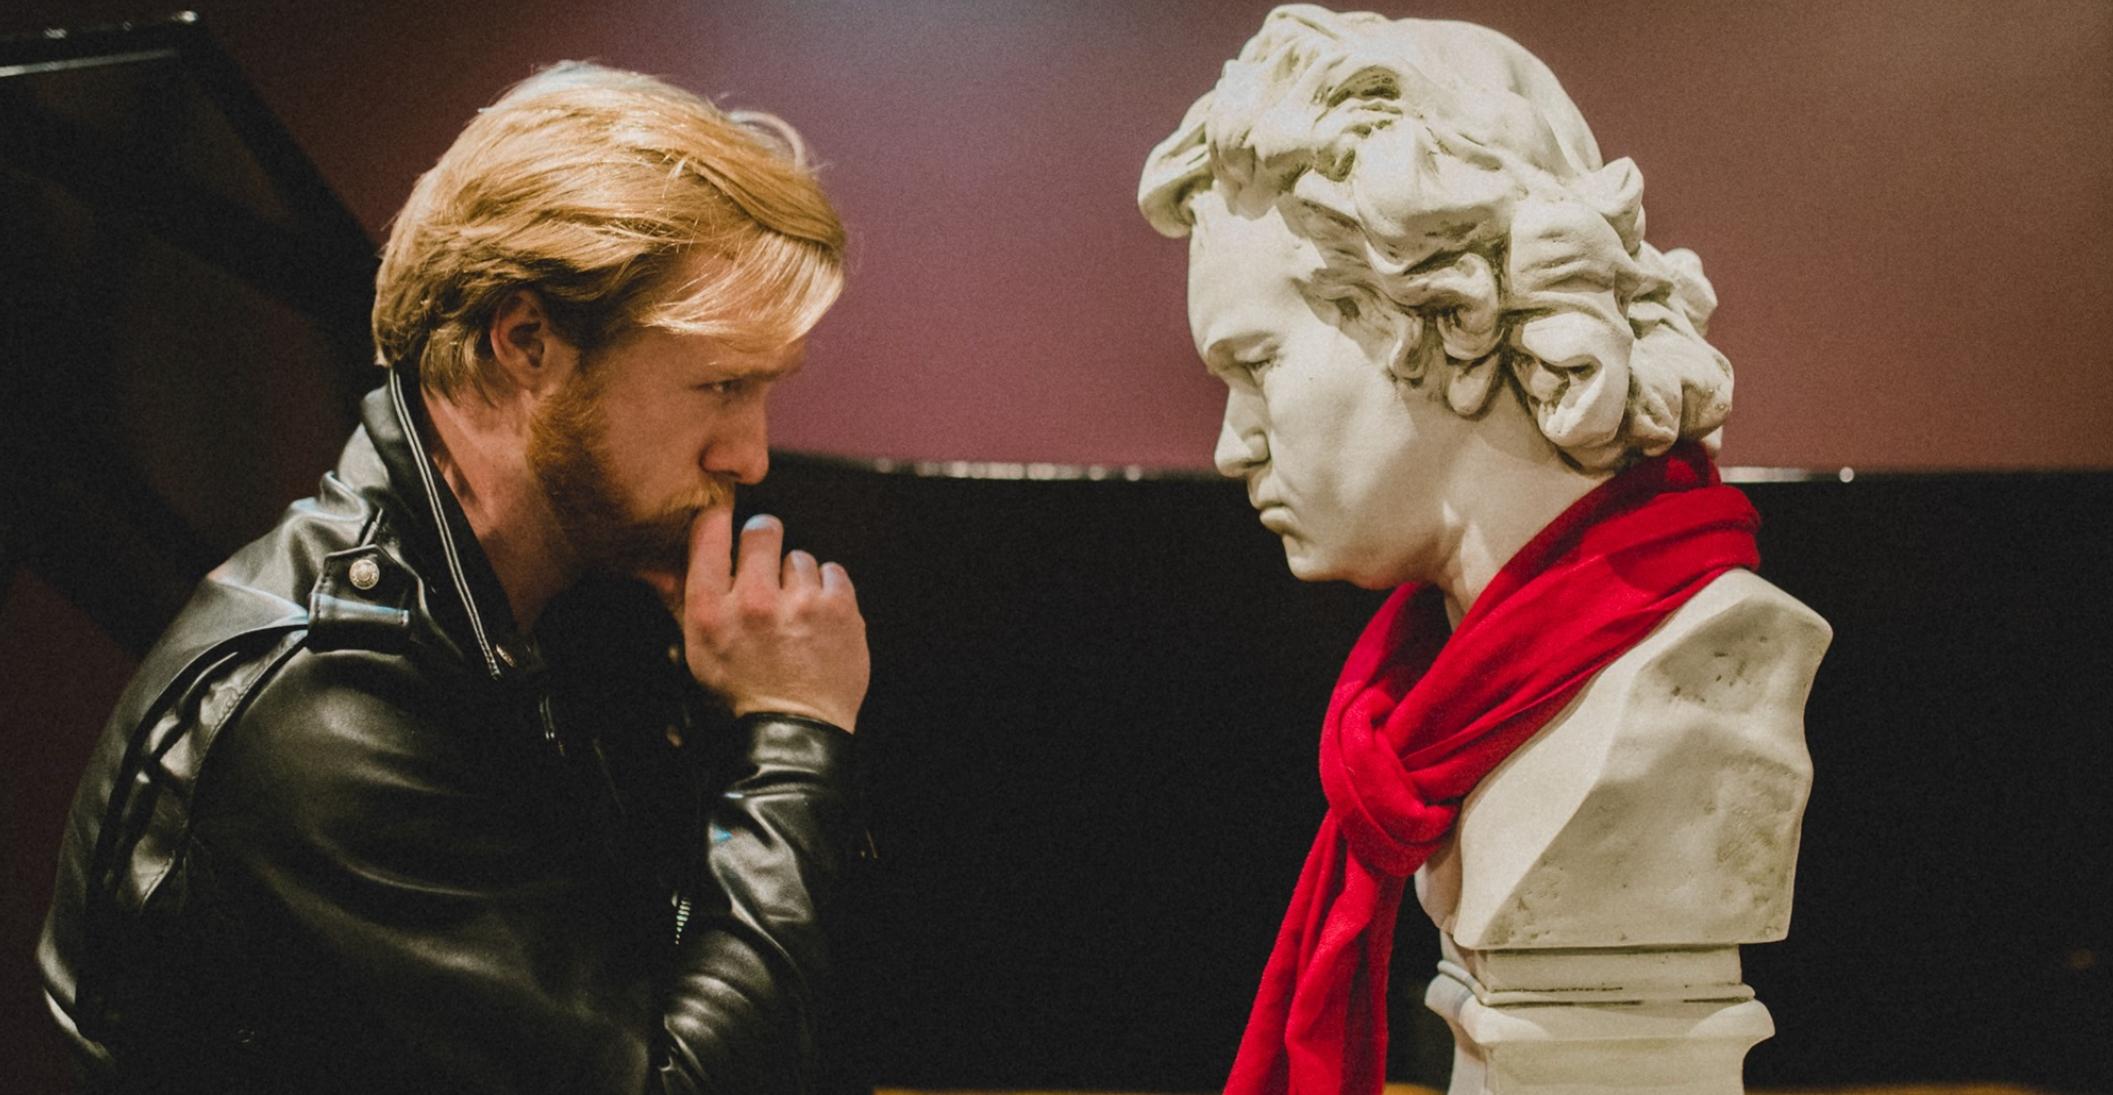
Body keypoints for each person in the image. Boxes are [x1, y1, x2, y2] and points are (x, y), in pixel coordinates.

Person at [40, 62, 868, 1094]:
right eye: (722, 385)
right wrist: (789, 729)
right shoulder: (325, 717)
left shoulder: (559, 589)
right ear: (524, 340)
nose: (749, 454)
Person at [1139, 7, 1820, 1094]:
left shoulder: (1688, 683)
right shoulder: (1430, 694)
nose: (1231, 445)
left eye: (1255, 368)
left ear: (1437, 309)